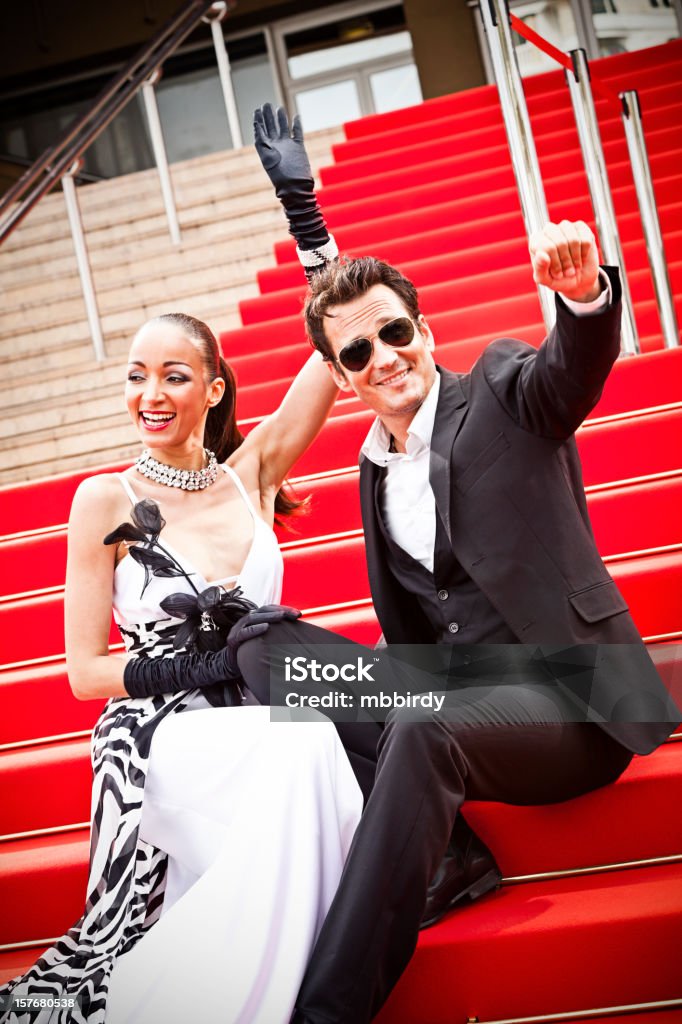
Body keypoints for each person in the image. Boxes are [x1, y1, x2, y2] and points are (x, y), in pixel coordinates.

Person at [247, 104, 682, 1024]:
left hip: (567, 703)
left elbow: (571, 369)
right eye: (359, 354)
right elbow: (348, 311)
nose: (384, 356)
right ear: (342, 376)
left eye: (396, 334)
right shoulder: (370, 463)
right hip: (457, 689)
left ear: (424, 328)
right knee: (269, 654)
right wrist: (304, 221)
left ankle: (325, 1009)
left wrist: (583, 296)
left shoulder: (496, 387)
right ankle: (454, 858)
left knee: (418, 726)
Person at [0, 311, 365, 1024]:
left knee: (320, 733)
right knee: (307, 741)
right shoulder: (105, 499)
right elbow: (85, 673)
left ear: (215, 390)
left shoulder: (249, 476)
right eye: (136, 377)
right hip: (155, 736)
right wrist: (206, 668)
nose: (151, 394)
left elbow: (336, 347)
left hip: (254, 712)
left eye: (173, 376)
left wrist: (311, 232)